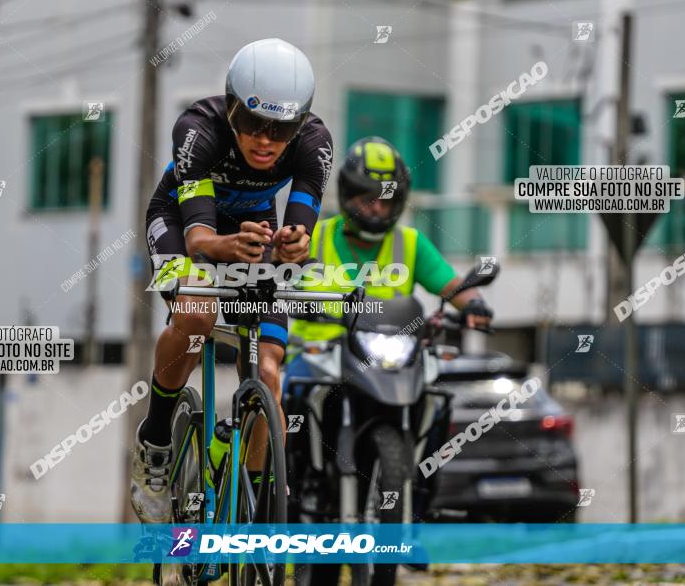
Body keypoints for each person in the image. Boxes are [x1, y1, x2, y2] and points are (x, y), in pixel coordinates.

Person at [132, 38, 333, 524]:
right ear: (230, 108)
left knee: (267, 370)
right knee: (197, 314)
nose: (265, 141)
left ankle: (256, 497)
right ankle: (156, 443)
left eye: (281, 128)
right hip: (182, 222)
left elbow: (299, 232)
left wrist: (292, 244)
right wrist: (225, 246)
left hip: (253, 229)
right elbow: (201, 237)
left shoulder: (314, 145)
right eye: (251, 123)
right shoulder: (197, 130)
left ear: (301, 122)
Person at [283, 136, 493, 383]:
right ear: (347, 194)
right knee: (291, 396)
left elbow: (452, 286)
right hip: (317, 357)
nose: (377, 209)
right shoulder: (313, 236)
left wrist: (474, 304)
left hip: (387, 363)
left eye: (386, 201)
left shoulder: (410, 242)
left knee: (434, 402)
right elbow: (272, 277)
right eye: (368, 199)